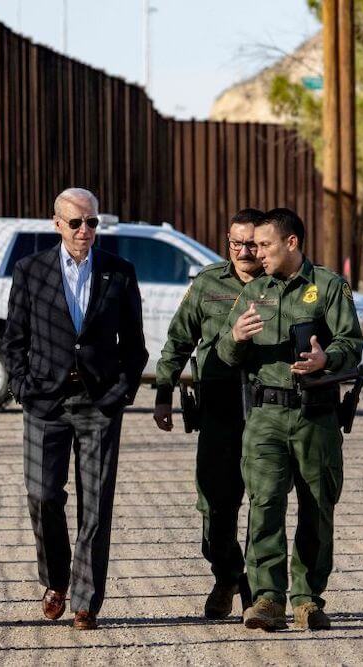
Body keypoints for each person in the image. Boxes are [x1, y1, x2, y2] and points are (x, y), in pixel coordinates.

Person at [3, 187, 148, 630]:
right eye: (76, 223)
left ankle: (85, 599)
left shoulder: (119, 273)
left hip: (99, 404)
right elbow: (14, 340)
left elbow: (135, 346)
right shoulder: (30, 271)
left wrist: (120, 392)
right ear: (56, 224)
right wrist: (23, 387)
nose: (85, 231)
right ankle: (56, 580)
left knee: (95, 505)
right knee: (42, 495)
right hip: (45, 402)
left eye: (92, 223)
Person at [217, 207, 362, 631]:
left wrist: (325, 359)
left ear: (292, 243)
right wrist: (236, 338)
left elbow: (352, 346)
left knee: (317, 506)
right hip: (265, 415)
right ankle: (266, 598)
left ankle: (307, 598)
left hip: (315, 414)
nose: (255, 253)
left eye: (264, 245)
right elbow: (226, 355)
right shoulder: (254, 291)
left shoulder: (329, 287)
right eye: (253, 246)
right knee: (264, 505)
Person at [153, 208, 265, 619]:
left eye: (252, 243)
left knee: (263, 501)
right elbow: (178, 339)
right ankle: (227, 573)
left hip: (267, 409)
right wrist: (163, 391)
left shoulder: (280, 285)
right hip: (217, 407)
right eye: (236, 242)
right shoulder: (208, 283)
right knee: (215, 503)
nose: (243, 251)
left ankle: (257, 588)